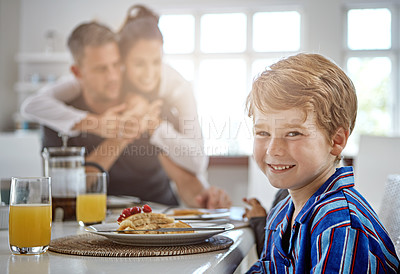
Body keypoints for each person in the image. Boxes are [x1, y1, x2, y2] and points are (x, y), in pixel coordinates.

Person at [39, 21, 231, 209]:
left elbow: (182, 177)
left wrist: (205, 198)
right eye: (101, 69)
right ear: (77, 72)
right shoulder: (60, 119)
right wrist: (122, 135)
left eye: (116, 65)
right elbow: (66, 194)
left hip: (157, 215)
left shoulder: (150, 107)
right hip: (94, 221)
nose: (113, 76)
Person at [245, 53, 399, 273]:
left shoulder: (340, 224)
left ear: (336, 141)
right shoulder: (281, 214)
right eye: (262, 132)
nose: (273, 149)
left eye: (293, 133)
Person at [21, 5, 207, 177]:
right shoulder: (102, 79)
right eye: (139, 64)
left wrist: (152, 122)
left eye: (156, 62)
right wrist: (98, 124)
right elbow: (31, 105)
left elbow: (197, 162)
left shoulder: (178, 88)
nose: (149, 74)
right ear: (125, 62)